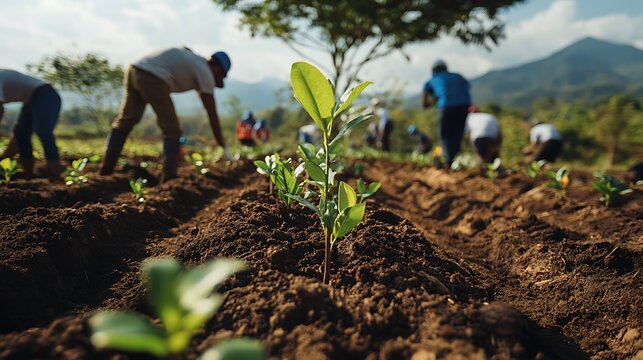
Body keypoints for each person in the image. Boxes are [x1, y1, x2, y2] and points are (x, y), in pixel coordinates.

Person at [99, 47, 233, 181]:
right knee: (172, 130)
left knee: (126, 121)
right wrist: (223, 145)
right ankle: (170, 180)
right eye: (221, 76)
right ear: (218, 69)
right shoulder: (206, 72)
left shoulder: (197, 62)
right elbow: (212, 114)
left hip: (134, 69)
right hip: (153, 77)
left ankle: (105, 170)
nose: (217, 80)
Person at [0, 69, 62, 179]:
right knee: (21, 134)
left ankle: (54, 172)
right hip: (31, 99)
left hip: (46, 94)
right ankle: (29, 174)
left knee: (43, 131)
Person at [422, 59, 471, 166]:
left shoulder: (432, 80)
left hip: (446, 106)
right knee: (457, 133)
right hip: (463, 106)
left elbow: (425, 102)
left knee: (444, 134)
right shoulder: (458, 76)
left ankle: (448, 161)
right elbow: (466, 88)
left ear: (433, 70)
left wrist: (432, 102)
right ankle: (455, 160)